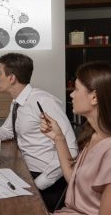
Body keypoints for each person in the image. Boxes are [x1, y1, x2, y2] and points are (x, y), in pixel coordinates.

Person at [0, 53, 78, 212]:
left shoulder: (44, 102)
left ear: (12, 78)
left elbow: (71, 149)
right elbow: (8, 130)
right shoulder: (17, 102)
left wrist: (39, 184)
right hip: (25, 172)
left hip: (46, 181)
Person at [40, 62, 111, 214]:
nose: (71, 94)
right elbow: (74, 178)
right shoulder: (93, 136)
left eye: (77, 89)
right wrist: (58, 137)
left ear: (94, 97)